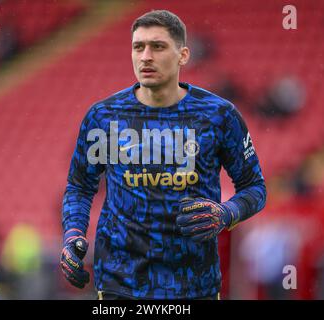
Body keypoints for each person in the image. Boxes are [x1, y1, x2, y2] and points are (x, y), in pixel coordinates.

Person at [60, 10, 266, 300]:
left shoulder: (219, 115)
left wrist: (226, 213)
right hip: (121, 284)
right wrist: (73, 235)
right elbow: (80, 187)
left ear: (183, 55)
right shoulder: (103, 117)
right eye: (138, 47)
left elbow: (255, 187)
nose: (145, 56)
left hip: (195, 285)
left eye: (157, 47)